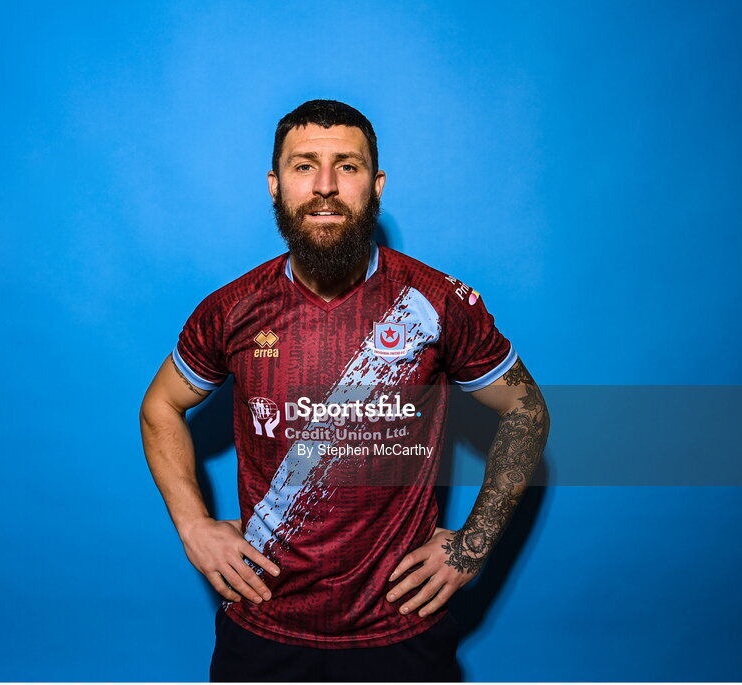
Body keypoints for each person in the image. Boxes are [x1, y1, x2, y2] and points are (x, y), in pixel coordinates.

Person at [139, 99, 550, 682]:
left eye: (348, 167)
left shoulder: (434, 303)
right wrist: (193, 526)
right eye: (304, 165)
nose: (325, 186)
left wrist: (472, 547)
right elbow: (160, 406)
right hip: (263, 627)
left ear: (376, 185)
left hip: (402, 633)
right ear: (275, 185)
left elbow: (526, 410)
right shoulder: (231, 309)